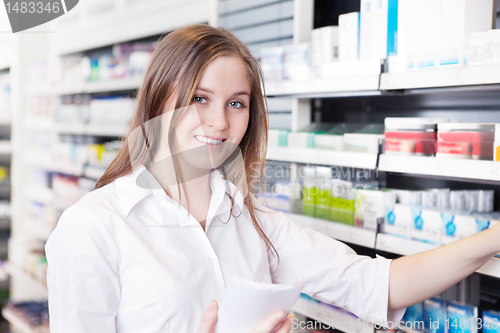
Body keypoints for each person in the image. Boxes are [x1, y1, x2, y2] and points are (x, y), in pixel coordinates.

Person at [44, 24, 500, 333]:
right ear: (160, 98)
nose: (219, 122)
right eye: (200, 98)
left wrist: (492, 238)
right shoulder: (95, 227)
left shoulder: (254, 222)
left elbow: (382, 284)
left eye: (236, 103)